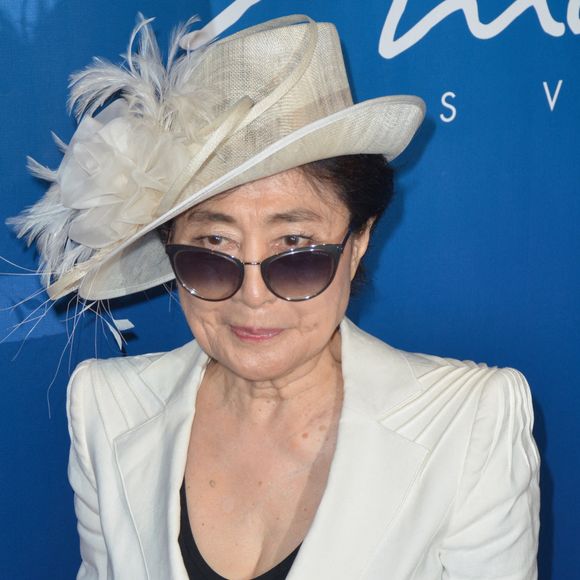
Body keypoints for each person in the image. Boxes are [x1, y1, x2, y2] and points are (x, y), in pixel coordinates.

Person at [9, 13, 540, 580]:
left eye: (296, 249)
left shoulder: (470, 423)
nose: (253, 296)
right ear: (170, 252)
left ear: (358, 242)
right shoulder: (105, 410)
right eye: (213, 249)